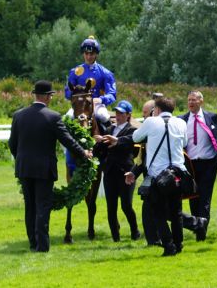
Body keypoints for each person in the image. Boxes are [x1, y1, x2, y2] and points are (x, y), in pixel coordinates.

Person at [8, 80, 92, 252]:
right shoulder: (53, 117)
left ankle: (33, 243)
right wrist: (84, 152)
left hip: (24, 168)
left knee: (30, 206)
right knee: (42, 206)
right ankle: (42, 246)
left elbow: (12, 144)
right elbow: (67, 140)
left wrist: (21, 159)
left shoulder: (18, 115)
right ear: (47, 97)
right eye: (51, 96)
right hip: (44, 169)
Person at [126, 97, 187, 256]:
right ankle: (179, 243)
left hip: (158, 175)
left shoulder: (151, 122)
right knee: (176, 212)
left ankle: (168, 245)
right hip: (178, 173)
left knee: (158, 212)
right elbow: (185, 142)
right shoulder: (181, 123)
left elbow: (135, 138)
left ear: (157, 109)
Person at [179, 90, 217, 241]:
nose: (191, 103)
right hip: (190, 165)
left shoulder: (210, 117)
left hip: (208, 163)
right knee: (193, 197)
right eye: (189, 100)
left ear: (201, 101)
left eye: (194, 100)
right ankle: (196, 224)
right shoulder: (182, 120)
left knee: (205, 198)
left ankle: (202, 233)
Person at [64, 36, 117, 174]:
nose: (88, 56)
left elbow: (112, 94)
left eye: (91, 53)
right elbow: (67, 92)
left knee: (104, 117)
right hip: (79, 106)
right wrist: (77, 97)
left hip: (97, 105)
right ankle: (67, 150)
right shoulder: (75, 72)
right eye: (86, 53)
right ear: (83, 54)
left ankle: (108, 149)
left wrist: (100, 100)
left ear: (96, 54)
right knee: (67, 118)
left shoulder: (105, 73)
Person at [94, 100, 140, 242]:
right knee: (111, 207)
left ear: (128, 115)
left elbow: (130, 149)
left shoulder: (133, 131)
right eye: (117, 113)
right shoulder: (109, 130)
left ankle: (135, 231)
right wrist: (99, 143)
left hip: (125, 172)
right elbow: (100, 153)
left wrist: (116, 141)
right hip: (109, 172)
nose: (118, 116)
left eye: (121, 113)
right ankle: (115, 237)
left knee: (126, 205)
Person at [124, 99, 162, 246]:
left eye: (145, 113)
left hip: (161, 174)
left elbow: (132, 138)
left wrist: (118, 140)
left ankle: (194, 222)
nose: (143, 117)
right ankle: (153, 240)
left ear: (154, 112)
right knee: (151, 209)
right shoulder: (150, 129)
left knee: (161, 210)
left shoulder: (155, 129)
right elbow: (143, 158)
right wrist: (133, 173)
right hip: (150, 175)